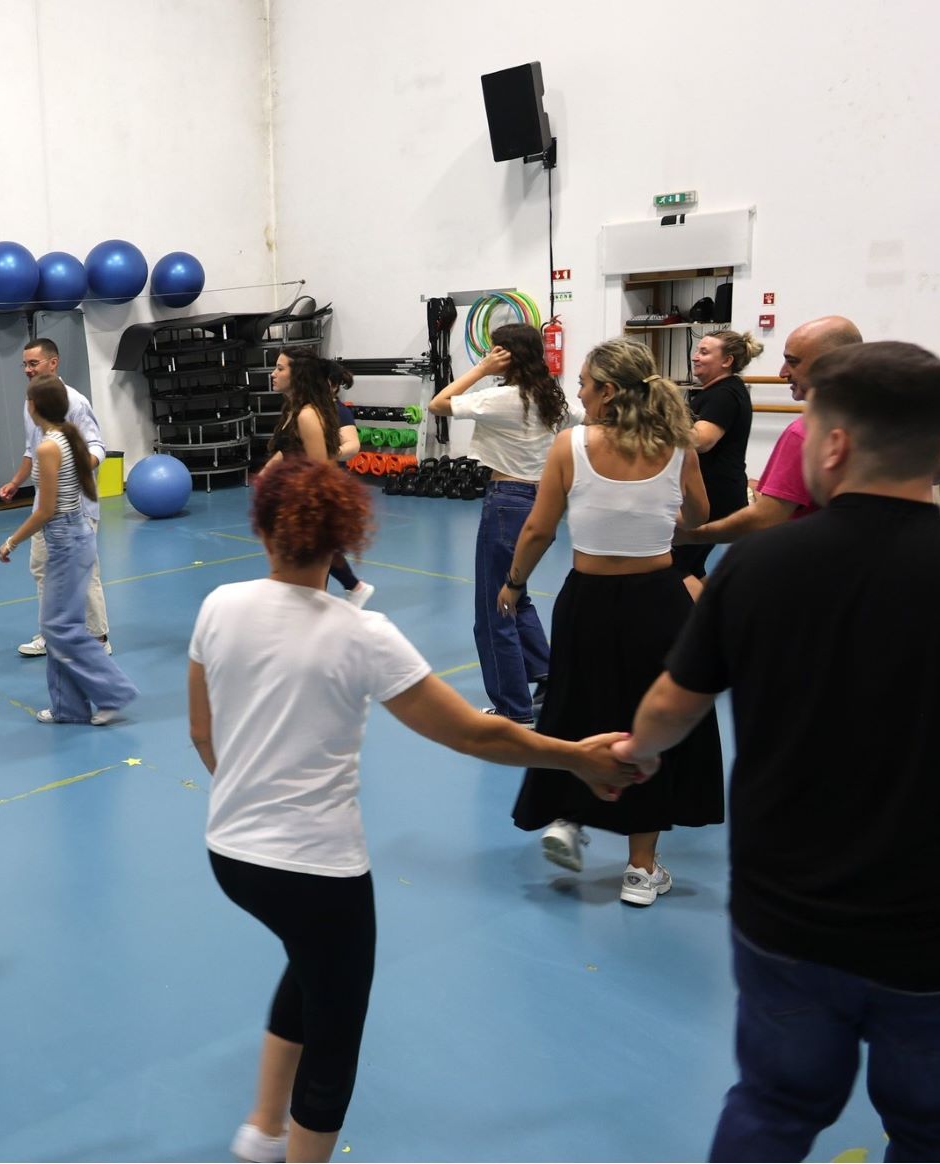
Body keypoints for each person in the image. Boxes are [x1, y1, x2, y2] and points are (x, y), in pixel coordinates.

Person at [188, 457, 643, 1164]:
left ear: (263, 529)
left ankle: (263, 1127)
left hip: (231, 854)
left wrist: (250, 793)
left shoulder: (218, 606)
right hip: (319, 872)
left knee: (308, 963)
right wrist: (576, 757)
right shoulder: (361, 634)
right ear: (344, 539)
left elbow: (202, 733)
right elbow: (474, 733)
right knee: (335, 1030)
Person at [613, 342, 940, 1162]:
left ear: (835, 445)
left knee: (774, 1107)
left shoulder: (759, 568)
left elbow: (672, 706)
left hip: (792, 918)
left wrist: (635, 753)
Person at [502, 338, 722, 906]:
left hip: (588, 602)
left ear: (606, 391)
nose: (577, 392)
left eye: (583, 383)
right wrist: (657, 507)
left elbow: (538, 530)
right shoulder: (677, 445)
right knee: (649, 723)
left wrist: (514, 583)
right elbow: (699, 516)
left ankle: (569, 818)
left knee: (577, 705)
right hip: (659, 602)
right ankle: (641, 869)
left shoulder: (570, 446)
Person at [677, 316, 940, 551]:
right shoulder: (905, 417)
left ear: (831, 364)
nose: (782, 372)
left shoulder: (805, 433)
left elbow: (764, 520)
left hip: (820, 559)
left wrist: (693, 535)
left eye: (793, 361)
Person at [428, 323, 577, 722]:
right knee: (516, 594)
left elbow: (438, 404)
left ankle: (513, 710)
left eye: (494, 350)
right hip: (541, 503)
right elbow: (584, 418)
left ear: (505, 355)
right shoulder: (550, 397)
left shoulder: (501, 398)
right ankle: (545, 675)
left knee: (494, 609)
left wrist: (480, 370)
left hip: (507, 504)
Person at [0, 375, 137, 725]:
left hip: (65, 538)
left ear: (34, 406)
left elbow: (45, 511)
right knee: (58, 626)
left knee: (60, 627)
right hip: (75, 534)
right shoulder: (66, 437)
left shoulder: (49, 447)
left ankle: (113, 692)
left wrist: (12, 540)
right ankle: (68, 707)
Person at [0, 338, 112, 656]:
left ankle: (98, 638)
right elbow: (32, 450)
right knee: (41, 569)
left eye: (33, 363)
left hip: (75, 509)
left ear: (53, 362)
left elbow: (97, 447)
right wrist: (16, 481)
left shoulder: (75, 402)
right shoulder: (32, 402)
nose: (27, 369)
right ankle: (52, 632)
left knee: (85, 574)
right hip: (45, 507)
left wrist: (72, 469)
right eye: (24, 364)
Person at [263, 349, 372, 609]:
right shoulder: (292, 410)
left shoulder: (309, 414)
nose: (273, 374)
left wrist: (312, 511)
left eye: (280, 368)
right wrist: (267, 474)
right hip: (294, 498)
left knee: (315, 562)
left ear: (297, 374)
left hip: (311, 501)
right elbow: (289, 449)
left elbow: (321, 467)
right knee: (299, 561)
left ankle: (349, 592)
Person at [669, 330, 758, 593]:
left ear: (727, 361)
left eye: (705, 352)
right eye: (697, 350)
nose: (695, 357)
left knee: (673, 567)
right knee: (692, 566)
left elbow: (702, 440)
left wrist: (658, 428)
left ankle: (706, 620)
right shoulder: (722, 390)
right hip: (719, 494)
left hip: (714, 497)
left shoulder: (724, 394)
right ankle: (720, 611)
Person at [322, 359, 374, 608]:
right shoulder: (306, 410)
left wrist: (325, 454)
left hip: (331, 485)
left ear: (333, 385)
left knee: (320, 545)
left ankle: (352, 587)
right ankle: (354, 587)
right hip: (309, 482)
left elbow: (352, 445)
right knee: (317, 545)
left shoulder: (338, 411)